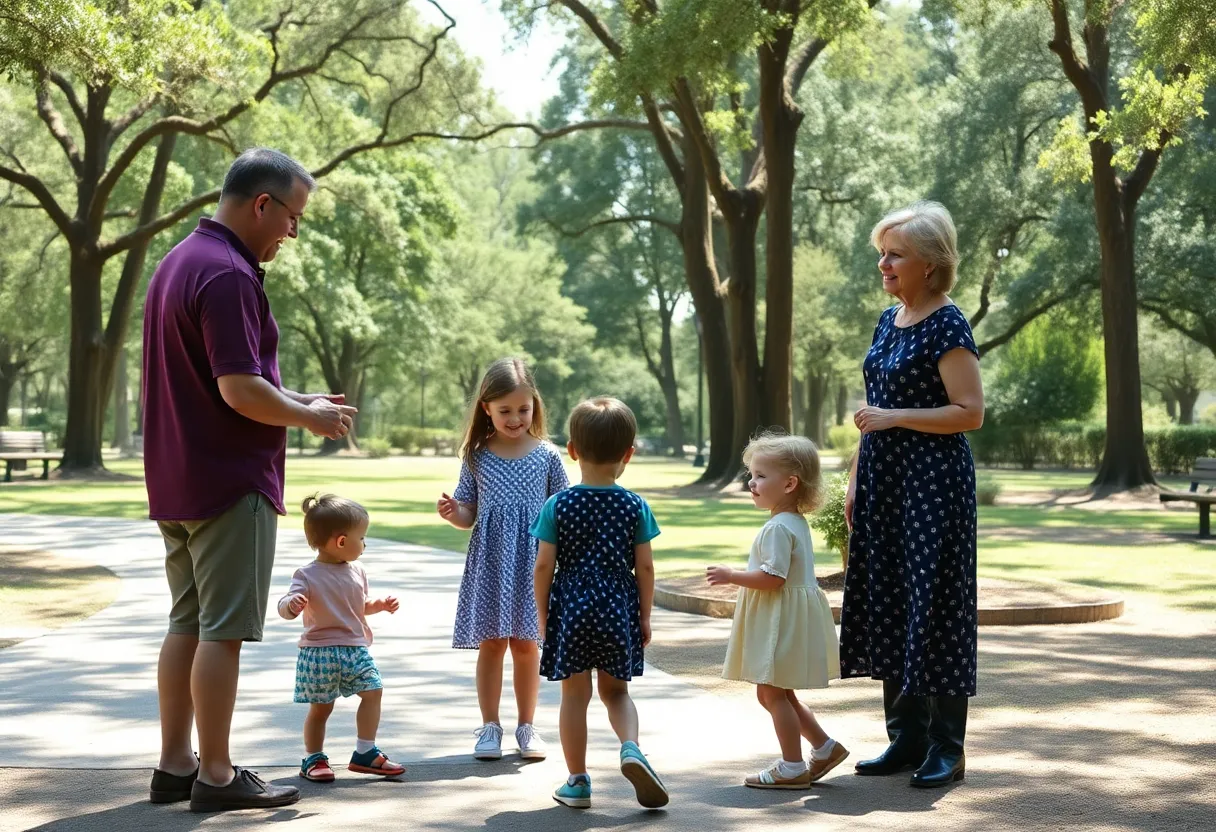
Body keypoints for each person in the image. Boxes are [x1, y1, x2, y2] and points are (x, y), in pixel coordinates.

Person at [143, 148, 357, 813]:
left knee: (188, 621)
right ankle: (216, 775)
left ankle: (176, 765)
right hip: (230, 481)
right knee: (222, 632)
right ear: (262, 205)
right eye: (293, 217)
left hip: (177, 478)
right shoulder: (231, 274)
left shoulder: (176, 262)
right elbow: (238, 391)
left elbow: (227, 381)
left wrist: (294, 398)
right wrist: (307, 416)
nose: (293, 232)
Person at [840, 200, 984, 789]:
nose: (884, 263)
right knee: (891, 601)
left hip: (933, 486)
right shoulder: (886, 320)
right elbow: (874, 414)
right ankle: (906, 739)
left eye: (895, 254)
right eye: (882, 253)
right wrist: (854, 479)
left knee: (939, 606)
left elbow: (970, 413)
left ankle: (947, 749)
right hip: (883, 479)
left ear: (931, 262)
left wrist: (893, 416)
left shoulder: (949, 324)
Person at [532, 397, 669, 810]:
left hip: (572, 609)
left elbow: (542, 568)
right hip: (617, 608)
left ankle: (578, 782)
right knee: (616, 692)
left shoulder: (558, 505)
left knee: (575, 696)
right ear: (629, 454)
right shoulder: (634, 505)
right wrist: (643, 616)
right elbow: (645, 569)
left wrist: (542, 619)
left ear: (572, 450)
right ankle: (631, 747)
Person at [436, 357, 569, 761]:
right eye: (505, 410)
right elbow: (469, 512)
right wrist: (453, 512)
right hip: (492, 560)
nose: (515, 418)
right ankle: (489, 726)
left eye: (523, 409)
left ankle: (527, 727)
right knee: (492, 644)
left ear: (535, 406)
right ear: (486, 409)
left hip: (533, 561)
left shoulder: (547, 455)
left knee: (528, 645)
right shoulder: (477, 455)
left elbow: (563, 508)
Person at [707, 433, 848, 789]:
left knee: (771, 693)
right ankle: (824, 747)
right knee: (779, 693)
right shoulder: (793, 521)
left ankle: (792, 766)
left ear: (789, 483)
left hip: (779, 621)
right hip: (788, 618)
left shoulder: (777, 528)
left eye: (760, 476)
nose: (751, 483)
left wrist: (732, 576)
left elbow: (772, 579)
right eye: (751, 474)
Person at [278, 494, 406, 783]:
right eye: (361, 538)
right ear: (340, 541)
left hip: (355, 648)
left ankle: (365, 751)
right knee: (321, 708)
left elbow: (359, 606)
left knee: (373, 690)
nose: (364, 544)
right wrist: (292, 604)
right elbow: (284, 605)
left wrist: (379, 605)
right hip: (319, 652)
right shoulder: (307, 575)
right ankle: (314, 757)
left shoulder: (358, 571)